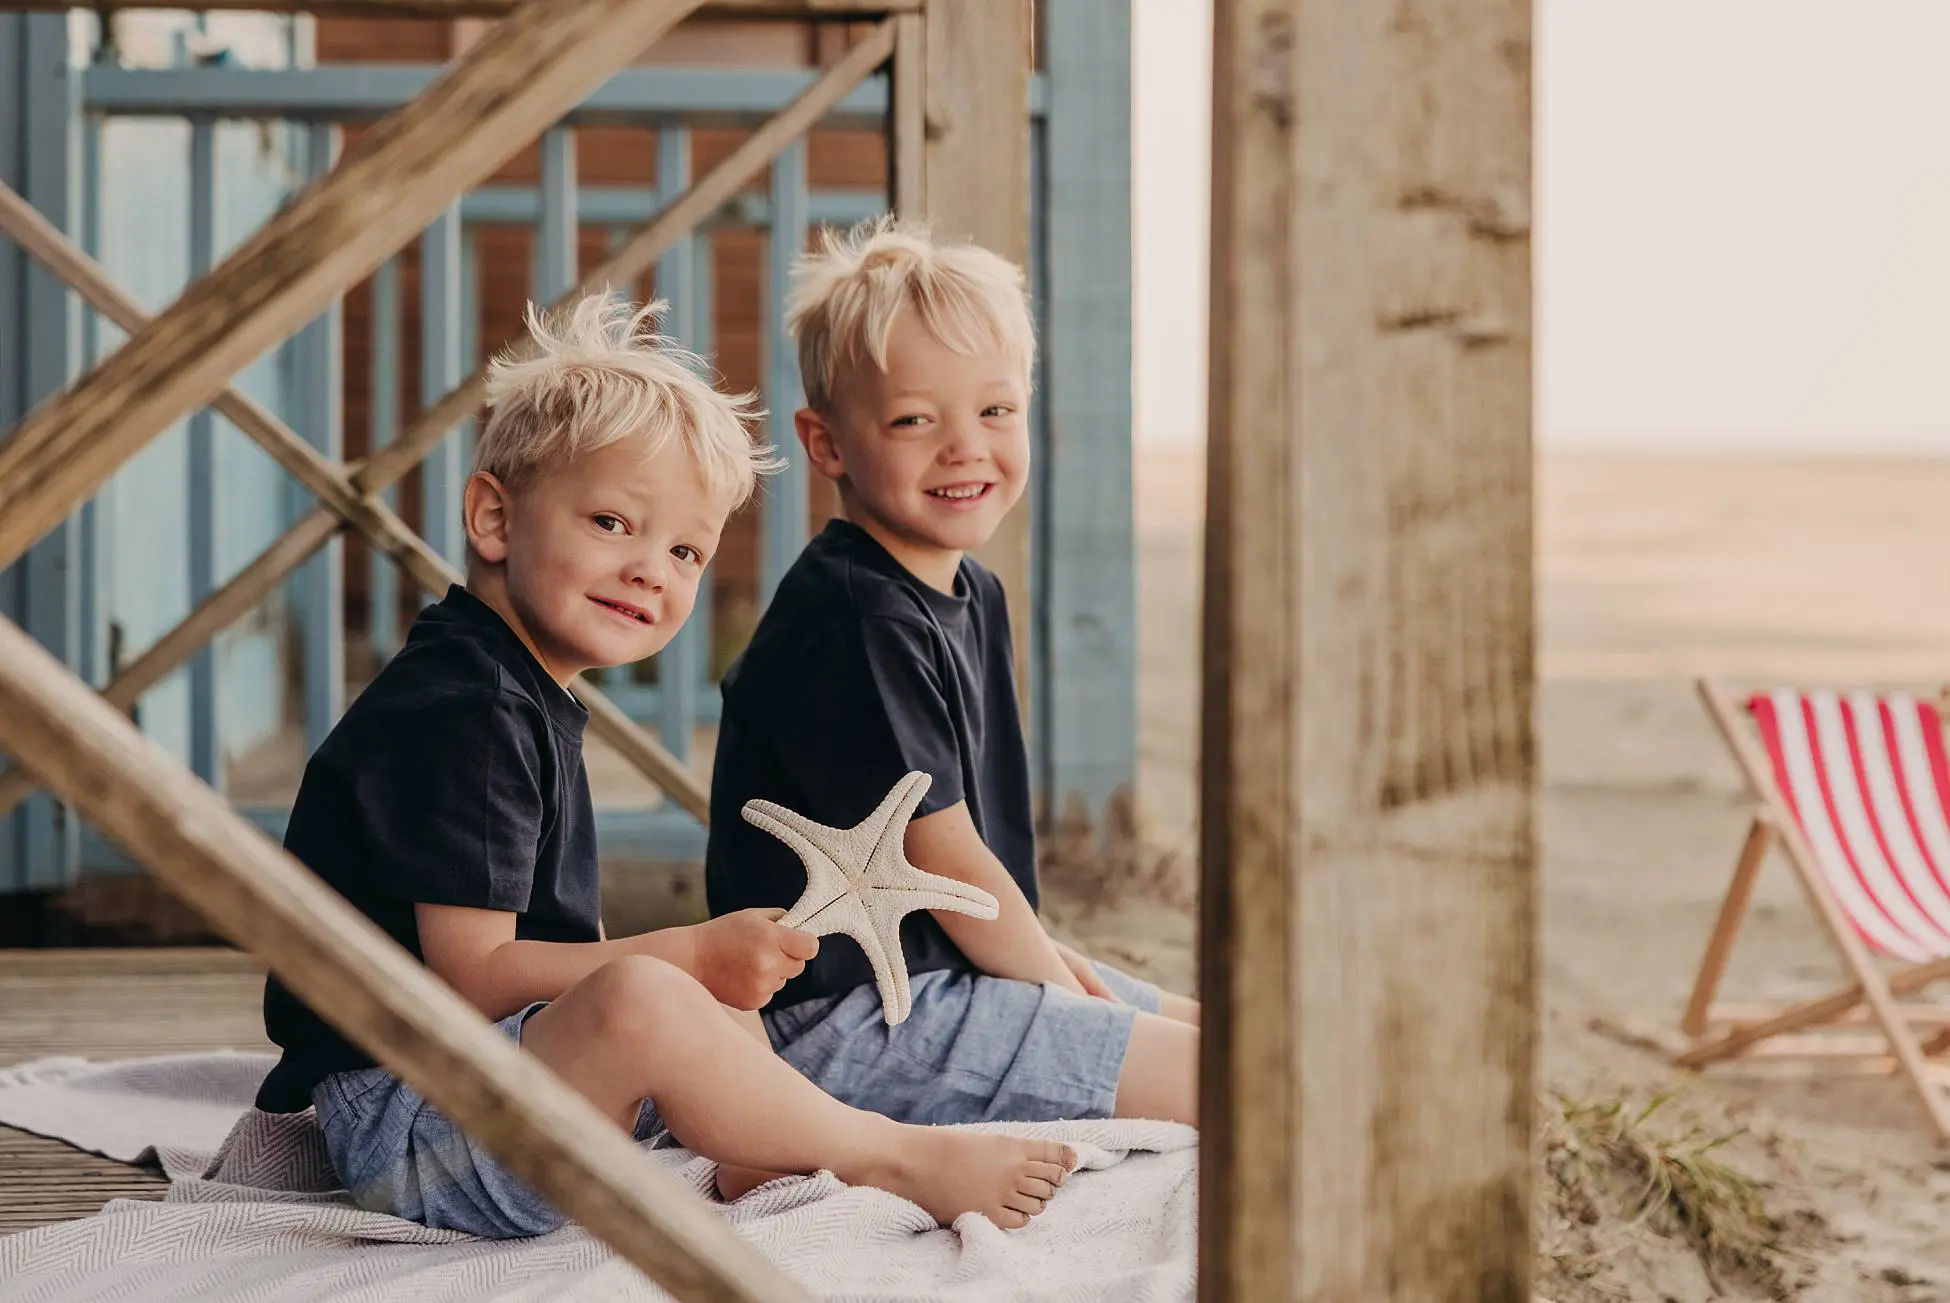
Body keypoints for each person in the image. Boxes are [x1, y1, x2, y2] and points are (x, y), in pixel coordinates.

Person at [254, 292, 1076, 1239]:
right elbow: (474, 979)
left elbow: (547, 946)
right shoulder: (464, 710)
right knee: (654, 984)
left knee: (685, 990)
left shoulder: (511, 683)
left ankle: (754, 1156)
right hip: (416, 1131)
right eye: (611, 523)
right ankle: (894, 1155)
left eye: (686, 548)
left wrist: (691, 968)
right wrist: (683, 952)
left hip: (479, 1088)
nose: (652, 567)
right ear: (493, 517)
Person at [705, 219, 1199, 1133]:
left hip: (944, 973)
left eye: (995, 410)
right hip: (839, 1019)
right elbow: (948, 857)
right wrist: (1069, 1004)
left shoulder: (970, 590)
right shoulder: (857, 618)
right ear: (828, 445)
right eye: (913, 419)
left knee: (1235, 1040)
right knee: (1225, 1082)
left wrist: (1058, 970)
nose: (965, 446)